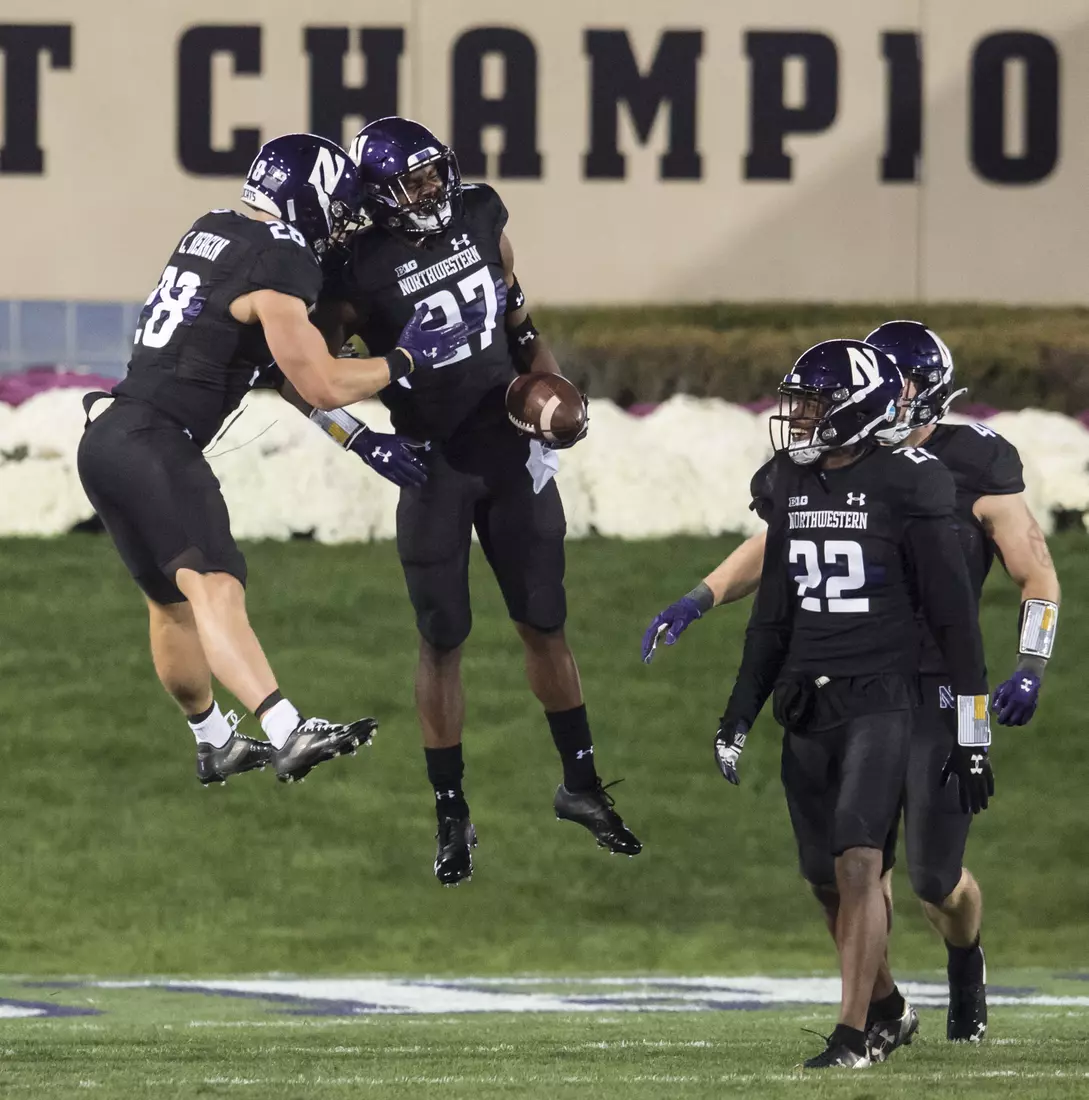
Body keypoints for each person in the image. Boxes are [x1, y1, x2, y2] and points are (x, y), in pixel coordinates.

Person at [643, 321, 1060, 1051]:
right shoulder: (825, 468)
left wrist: (1030, 663)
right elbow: (784, 542)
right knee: (851, 861)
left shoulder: (966, 462)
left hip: (935, 683)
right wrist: (699, 597)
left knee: (933, 877)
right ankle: (879, 1007)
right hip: (849, 681)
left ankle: (964, 963)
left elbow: (1035, 571)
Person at [301, 116, 640, 886]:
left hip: (508, 449)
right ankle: (451, 807)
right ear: (381, 196)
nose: (432, 190)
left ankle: (580, 784)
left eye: (434, 173)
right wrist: (362, 439)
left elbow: (521, 328)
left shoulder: (481, 214)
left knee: (544, 621)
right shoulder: (352, 268)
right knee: (442, 636)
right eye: (414, 182)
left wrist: (557, 400)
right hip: (433, 465)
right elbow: (302, 379)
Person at [77, 133, 469, 787]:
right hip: (156, 440)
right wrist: (405, 358)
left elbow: (280, 368)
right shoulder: (281, 257)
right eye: (338, 205)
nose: (342, 222)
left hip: (110, 438)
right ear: (309, 197)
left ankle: (212, 740)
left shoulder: (215, 229)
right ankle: (286, 728)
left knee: (171, 605)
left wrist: (358, 439)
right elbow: (318, 380)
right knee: (214, 584)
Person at [700, 338, 991, 1068]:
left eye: (810, 403)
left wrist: (971, 730)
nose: (795, 416)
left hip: (884, 697)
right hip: (806, 696)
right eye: (794, 401)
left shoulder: (910, 483)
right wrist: (738, 713)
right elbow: (770, 615)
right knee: (823, 879)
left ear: (854, 408)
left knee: (861, 860)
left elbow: (954, 621)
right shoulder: (787, 484)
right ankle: (887, 1007)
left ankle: (852, 1035)